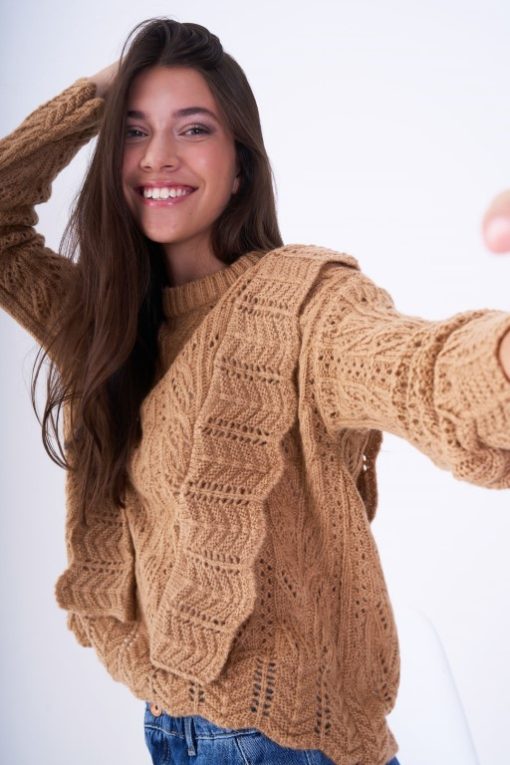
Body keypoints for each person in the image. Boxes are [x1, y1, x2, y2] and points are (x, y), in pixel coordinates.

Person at [1, 17, 509, 765]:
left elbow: (425, 372)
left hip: (285, 744)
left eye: (193, 128)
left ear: (240, 164)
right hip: (171, 728)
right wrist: (98, 93)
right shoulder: (105, 325)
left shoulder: (300, 307)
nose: (158, 155)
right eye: (135, 132)